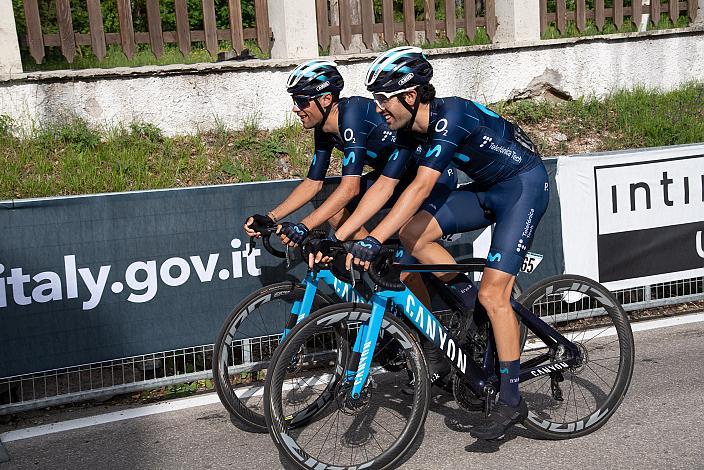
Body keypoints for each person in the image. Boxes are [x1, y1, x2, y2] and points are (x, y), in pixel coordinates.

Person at [347, 46, 550, 440]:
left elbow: (421, 188)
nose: (379, 109)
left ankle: (510, 398)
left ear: (410, 96)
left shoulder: (451, 115)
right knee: (413, 234)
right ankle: (466, 298)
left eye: (382, 99)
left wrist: (373, 238)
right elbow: (387, 186)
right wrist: (349, 236)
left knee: (495, 296)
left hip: (523, 187)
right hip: (488, 189)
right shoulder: (408, 131)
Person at [244, 59, 422, 246]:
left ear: (326, 99)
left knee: (407, 236)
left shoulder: (352, 113)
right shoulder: (324, 128)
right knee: (336, 213)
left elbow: (350, 188)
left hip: (422, 176)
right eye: (294, 101)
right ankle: (377, 260)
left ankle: (379, 257)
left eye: (302, 101)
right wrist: (271, 217)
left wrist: (304, 226)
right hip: (394, 178)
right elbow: (313, 184)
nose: (295, 109)